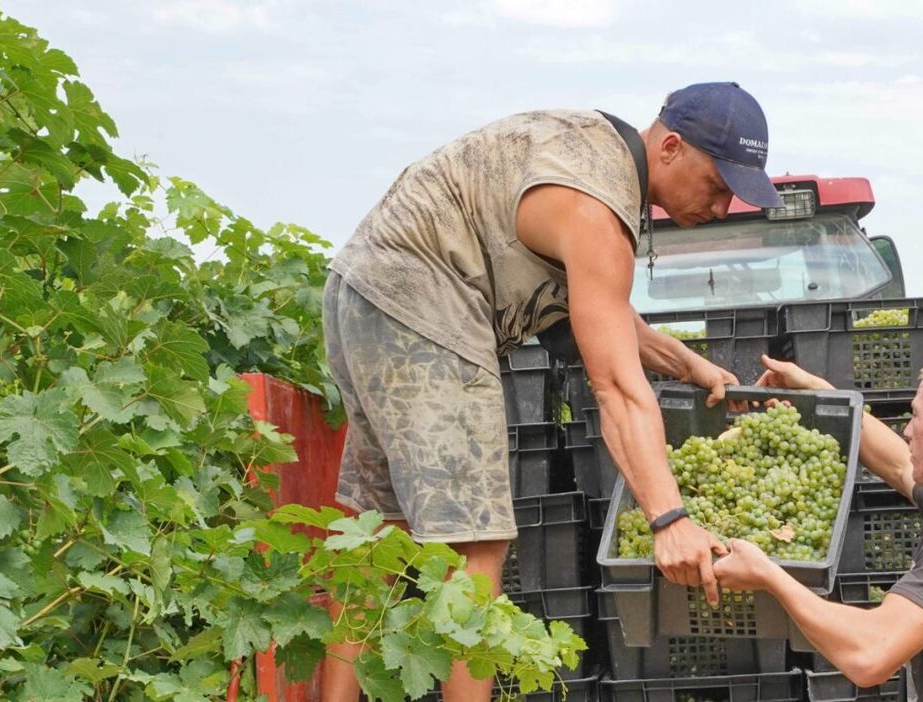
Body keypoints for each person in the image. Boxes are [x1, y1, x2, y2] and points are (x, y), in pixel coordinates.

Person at [319, 82, 785, 701]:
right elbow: (617, 385)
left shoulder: (591, 158)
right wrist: (669, 518)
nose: (723, 207)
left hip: (363, 293)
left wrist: (690, 365)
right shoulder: (597, 205)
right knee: (475, 546)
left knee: (374, 536)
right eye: (718, 186)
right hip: (424, 306)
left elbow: (611, 318)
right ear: (671, 147)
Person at [713, 352, 923, 701]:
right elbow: (899, 464)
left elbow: (871, 654)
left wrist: (767, 574)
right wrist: (821, 391)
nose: (907, 429)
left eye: (915, 415)